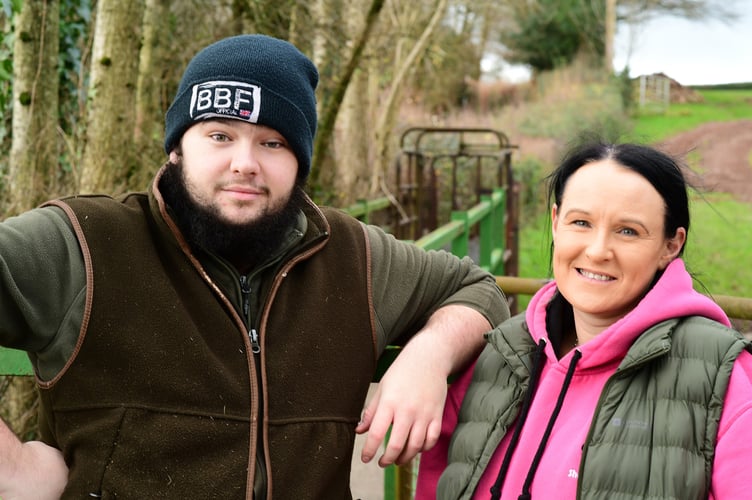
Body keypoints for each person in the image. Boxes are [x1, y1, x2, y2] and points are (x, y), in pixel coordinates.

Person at [0, 34, 509, 498]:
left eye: (273, 142)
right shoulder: (86, 243)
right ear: (177, 147)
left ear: (299, 163)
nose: (245, 162)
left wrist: (430, 355)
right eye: (220, 135)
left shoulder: (352, 257)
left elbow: (477, 290)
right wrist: (17, 467)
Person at [415, 140, 752, 499]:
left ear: (671, 246)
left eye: (628, 231)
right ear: (556, 222)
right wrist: (424, 358)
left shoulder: (723, 377)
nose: (597, 250)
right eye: (581, 222)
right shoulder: (499, 357)